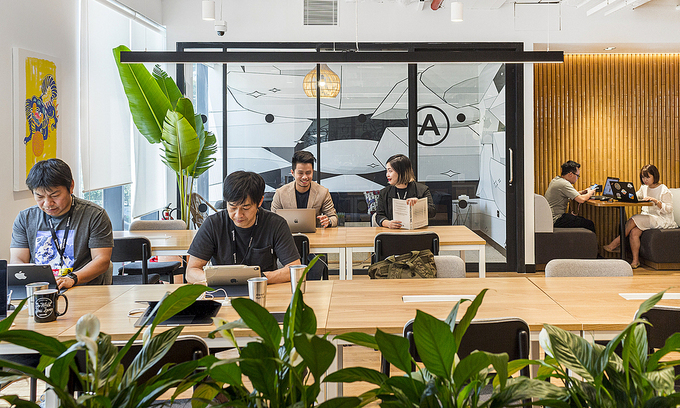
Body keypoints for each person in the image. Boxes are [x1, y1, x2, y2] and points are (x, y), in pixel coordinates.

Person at [10, 158, 114, 289]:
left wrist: (72, 279)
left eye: (54, 195)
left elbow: (102, 260)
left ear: (71, 186)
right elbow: (18, 260)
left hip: (83, 288)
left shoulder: (94, 215)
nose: (47, 203)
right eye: (40, 197)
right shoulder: (25, 218)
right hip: (41, 290)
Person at [186, 171, 301, 285]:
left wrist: (257, 278)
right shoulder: (213, 224)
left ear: (260, 201)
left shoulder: (276, 224)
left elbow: (296, 270)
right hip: (223, 292)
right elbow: (191, 272)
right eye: (232, 207)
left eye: (245, 207)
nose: (238, 215)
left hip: (262, 290)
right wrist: (218, 279)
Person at [603, 164, 677, 268]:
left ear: (654, 176)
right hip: (648, 217)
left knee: (634, 219)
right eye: (643, 177)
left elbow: (669, 209)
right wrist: (624, 195)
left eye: (648, 177)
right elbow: (635, 196)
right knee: (634, 232)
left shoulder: (663, 189)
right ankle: (635, 261)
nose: (645, 180)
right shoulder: (644, 188)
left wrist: (656, 201)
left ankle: (615, 243)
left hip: (661, 219)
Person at [271, 151, 338, 228]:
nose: (305, 177)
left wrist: (328, 221)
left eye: (308, 173)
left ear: (312, 172)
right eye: (300, 173)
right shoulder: (280, 193)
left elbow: (334, 218)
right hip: (287, 236)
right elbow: (272, 220)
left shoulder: (323, 192)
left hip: (315, 236)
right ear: (292, 173)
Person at [375, 154, 436, 229]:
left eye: (390, 171)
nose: (387, 175)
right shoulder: (384, 193)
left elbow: (432, 212)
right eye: (387, 171)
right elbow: (379, 216)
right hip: (392, 233)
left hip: (417, 233)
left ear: (402, 172)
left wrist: (419, 204)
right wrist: (388, 223)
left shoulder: (422, 189)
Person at [544, 160, 596, 233]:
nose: (577, 178)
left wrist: (582, 192)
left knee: (580, 220)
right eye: (577, 176)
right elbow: (581, 200)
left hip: (551, 218)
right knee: (589, 224)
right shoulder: (564, 184)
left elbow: (570, 193)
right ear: (571, 174)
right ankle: (590, 244)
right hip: (556, 219)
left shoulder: (556, 180)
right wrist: (590, 193)